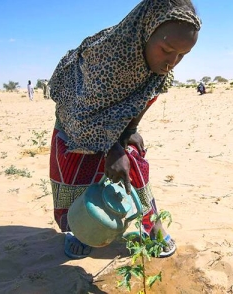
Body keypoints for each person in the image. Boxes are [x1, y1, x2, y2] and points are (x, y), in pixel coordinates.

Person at [48, 0, 201, 259]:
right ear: (146, 31)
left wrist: (130, 128)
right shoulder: (105, 58)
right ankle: (79, 229)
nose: (172, 61)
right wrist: (111, 149)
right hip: (77, 117)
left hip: (116, 119)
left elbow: (147, 96)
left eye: (181, 55)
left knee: (133, 165)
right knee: (77, 170)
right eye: (166, 50)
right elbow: (83, 111)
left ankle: (153, 226)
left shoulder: (161, 67)